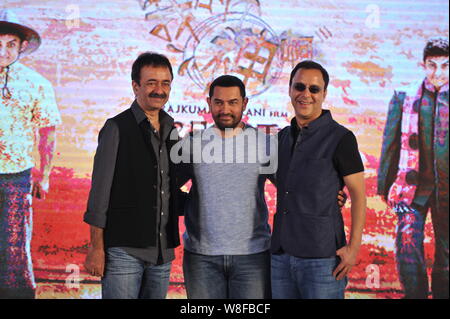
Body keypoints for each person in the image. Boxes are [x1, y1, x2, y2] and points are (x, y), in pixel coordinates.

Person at [176, 75, 347, 299]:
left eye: (232, 102)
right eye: (218, 102)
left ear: (244, 103)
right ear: (209, 103)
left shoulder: (265, 144)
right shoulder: (191, 144)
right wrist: (190, 205)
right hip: (202, 257)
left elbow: (292, 186)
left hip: (253, 256)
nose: (225, 109)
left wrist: (328, 195)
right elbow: (164, 187)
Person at [83, 52, 183, 299]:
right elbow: (99, 194)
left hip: (162, 252)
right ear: (135, 86)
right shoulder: (116, 128)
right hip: (123, 252)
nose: (159, 90)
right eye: (151, 83)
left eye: (165, 83)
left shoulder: (172, 131)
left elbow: (171, 187)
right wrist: (96, 248)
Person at [271, 60, 366, 299]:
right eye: (299, 87)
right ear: (290, 89)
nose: (306, 94)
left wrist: (353, 249)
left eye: (314, 89)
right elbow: (283, 183)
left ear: (324, 94)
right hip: (280, 258)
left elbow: (358, 195)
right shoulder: (281, 138)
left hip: (323, 260)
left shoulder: (341, 138)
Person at [377, 37, 448, 299]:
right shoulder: (405, 96)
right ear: (423, 65)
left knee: (447, 253)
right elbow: (390, 141)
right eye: (432, 65)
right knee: (407, 246)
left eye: (445, 66)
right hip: (412, 188)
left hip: (447, 190)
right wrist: (385, 185)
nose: (438, 72)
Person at [0, 9, 61, 299]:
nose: (3, 51)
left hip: (16, 176)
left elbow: (48, 131)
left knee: (13, 245)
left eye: (10, 44)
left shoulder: (37, 84)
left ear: (22, 46)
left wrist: (44, 175)